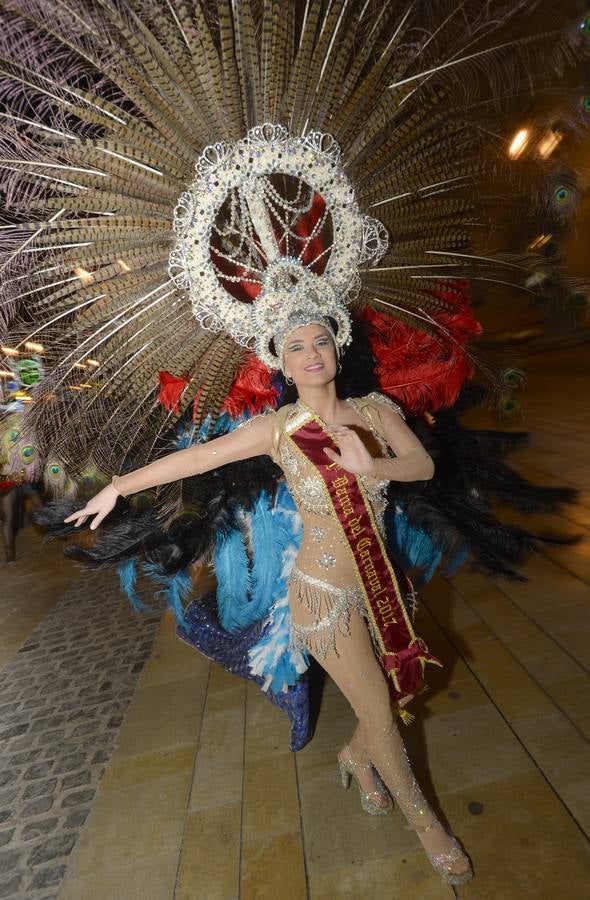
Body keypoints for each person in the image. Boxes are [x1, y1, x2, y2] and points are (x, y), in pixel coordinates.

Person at [66, 316, 473, 885]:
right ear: (280, 362)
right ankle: (428, 825)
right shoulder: (280, 429)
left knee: (397, 685)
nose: (311, 355)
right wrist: (118, 486)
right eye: (296, 347)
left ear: (339, 347)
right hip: (322, 595)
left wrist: (371, 466)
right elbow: (198, 459)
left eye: (321, 342)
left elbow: (422, 464)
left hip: (379, 582)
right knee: (379, 708)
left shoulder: (376, 410)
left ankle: (357, 757)